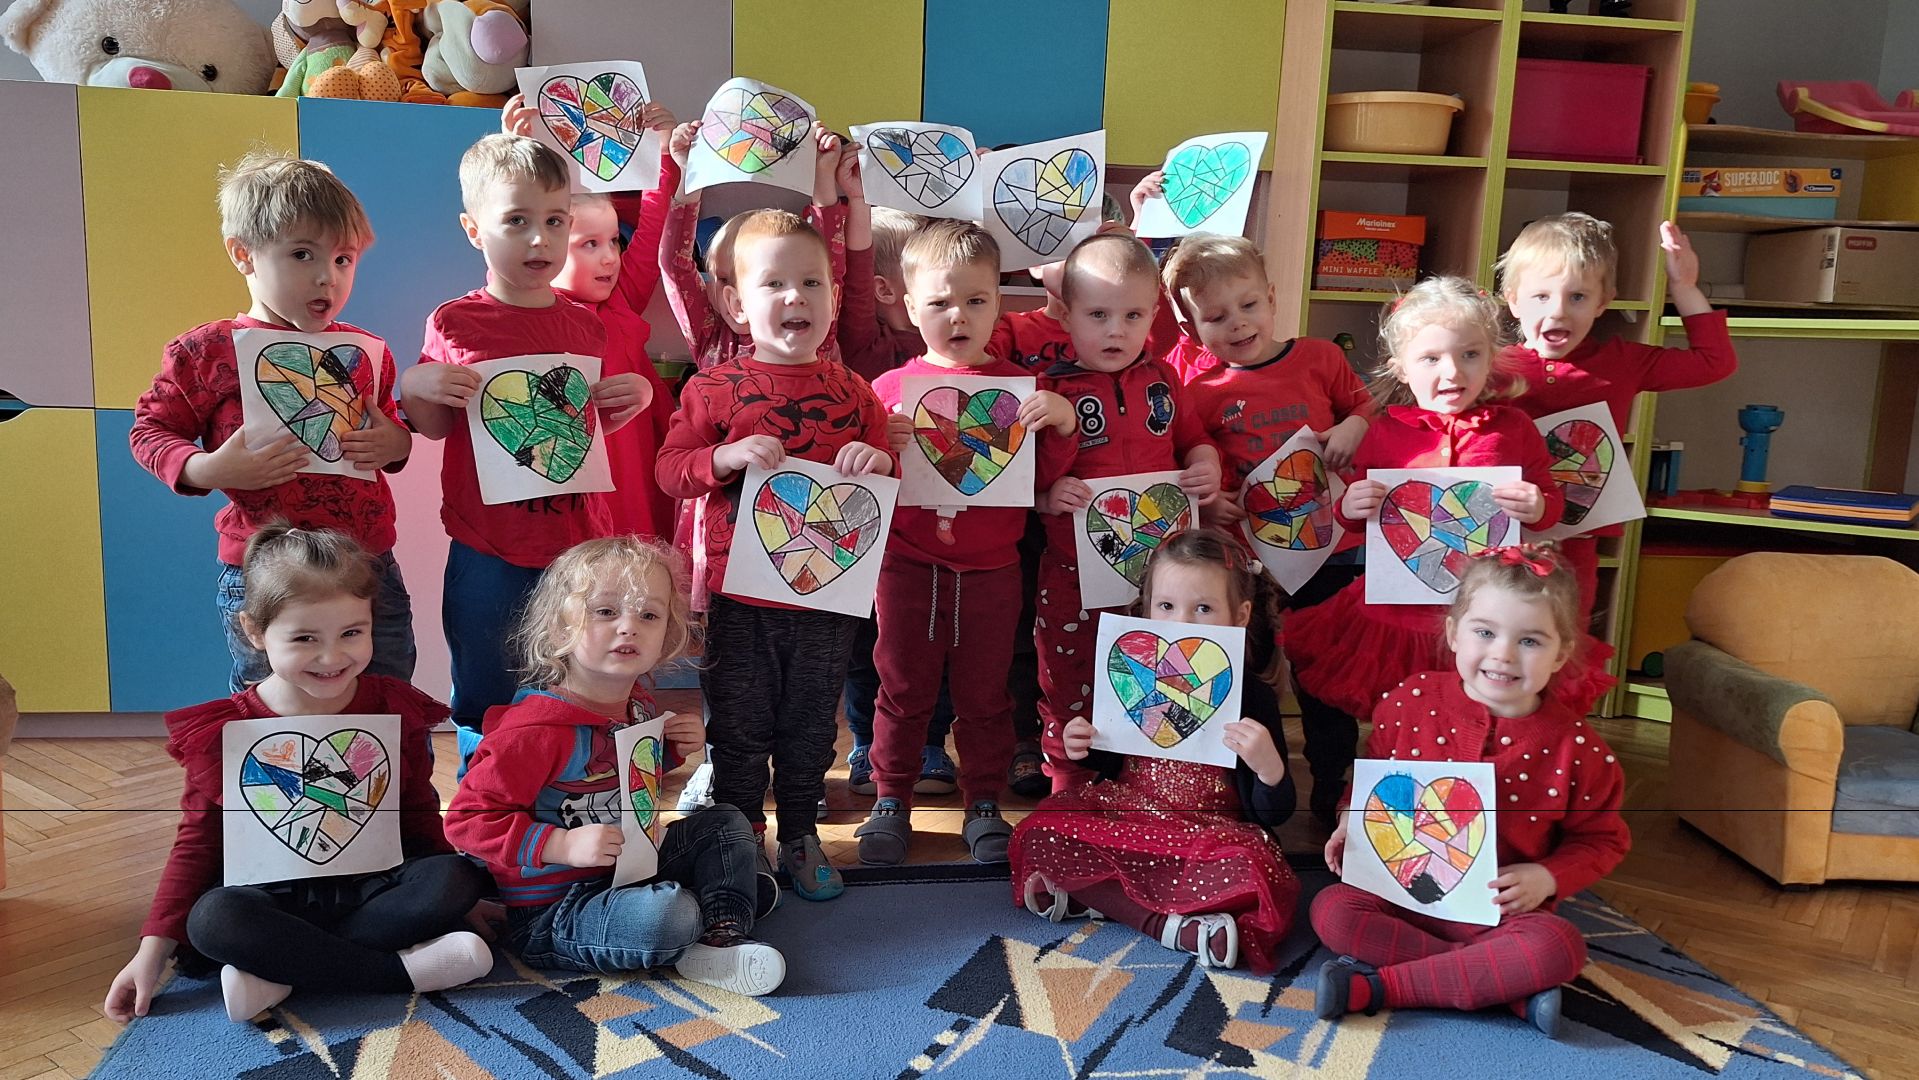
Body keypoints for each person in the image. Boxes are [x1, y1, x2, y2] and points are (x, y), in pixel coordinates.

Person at [103, 526, 493, 1025]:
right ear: (254, 631)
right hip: (272, 898)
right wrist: (150, 953)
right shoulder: (228, 729)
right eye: (305, 638)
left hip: (373, 888)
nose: (332, 658)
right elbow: (197, 843)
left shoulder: (391, 707)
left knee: (454, 876)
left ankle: (280, 974)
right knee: (214, 919)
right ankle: (400, 972)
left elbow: (416, 811)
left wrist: (459, 903)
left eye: (352, 633)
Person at [1282, 277, 1608, 826]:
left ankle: (1462, 803)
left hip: (1484, 615)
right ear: (1402, 368)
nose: (1452, 372)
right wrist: (1352, 506)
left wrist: (1536, 503)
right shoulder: (1385, 430)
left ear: (1491, 359)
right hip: (1396, 614)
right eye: (1431, 359)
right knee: (1383, 708)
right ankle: (1351, 793)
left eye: (1469, 355)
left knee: (1469, 707)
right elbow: (1357, 517)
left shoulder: (1514, 427)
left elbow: (1550, 503)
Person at [656, 209, 894, 901]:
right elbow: (670, 469)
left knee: (810, 726)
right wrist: (722, 457)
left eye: (812, 282)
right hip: (740, 601)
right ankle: (736, 840)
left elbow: (887, 482)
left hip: (826, 601)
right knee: (738, 726)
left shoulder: (855, 393)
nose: (796, 297)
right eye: (775, 283)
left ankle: (798, 835)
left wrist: (879, 461)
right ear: (735, 304)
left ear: (832, 296)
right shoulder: (711, 388)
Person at [397, 133, 651, 771]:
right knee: (486, 686)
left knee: (577, 682)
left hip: (577, 548)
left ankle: (569, 794)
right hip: (489, 546)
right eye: (516, 221)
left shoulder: (584, 322)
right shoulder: (455, 322)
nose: (540, 240)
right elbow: (433, 427)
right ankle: (483, 800)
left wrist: (632, 398)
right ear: (473, 230)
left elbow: (579, 435)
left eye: (555, 221)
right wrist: (416, 384)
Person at [1313, 543, 1630, 1039]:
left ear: (1562, 653)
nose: (1503, 654)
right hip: (1399, 896)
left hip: (1499, 915)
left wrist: (1548, 876)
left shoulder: (1578, 748)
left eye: (1530, 641)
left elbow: (1602, 839)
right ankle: (1498, 985)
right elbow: (1372, 780)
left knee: (1558, 947)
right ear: (1453, 634)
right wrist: (1349, 819)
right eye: (1485, 632)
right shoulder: (1408, 701)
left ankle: (1380, 988)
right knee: (1331, 911)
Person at [129, 151, 416, 693]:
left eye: (344, 259)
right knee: (269, 705)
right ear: (243, 254)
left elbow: (391, 430)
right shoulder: (206, 350)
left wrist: (394, 443)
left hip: (366, 563)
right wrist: (207, 468)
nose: (327, 277)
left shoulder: (366, 351)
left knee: (385, 691)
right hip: (263, 569)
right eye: (302, 254)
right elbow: (148, 430)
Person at [445, 537, 784, 995]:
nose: (629, 627)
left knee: (726, 821)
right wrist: (560, 844)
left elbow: (620, 781)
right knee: (669, 916)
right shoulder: (533, 731)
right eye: (605, 611)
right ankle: (717, 905)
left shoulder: (638, 704)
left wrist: (670, 751)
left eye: (649, 615)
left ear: (667, 633)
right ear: (559, 627)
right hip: (555, 910)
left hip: (630, 870)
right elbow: (466, 821)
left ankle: (722, 931)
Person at [853, 221, 1075, 865]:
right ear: (907, 305)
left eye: (976, 300)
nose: (959, 315)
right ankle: (890, 798)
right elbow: (865, 489)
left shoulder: (1025, 392)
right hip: (907, 568)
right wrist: (877, 449)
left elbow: (1043, 481)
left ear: (998, 304)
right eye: (940, 302)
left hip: (992, 571)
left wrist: (1062, 426)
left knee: (986, 696)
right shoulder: (888, 393)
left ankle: (983, 801)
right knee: (902, 690)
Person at [1009, 526, 1299, 970]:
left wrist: (1269, 770)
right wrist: (1082, 743)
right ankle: (1167, 922)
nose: (1181, 622)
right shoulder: (1133, 676)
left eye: (1203, 608)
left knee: (1252, 870)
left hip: (1207, 837)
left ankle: (1109, 901)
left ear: (1240, 615)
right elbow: (1110, 759)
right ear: (1145, 609)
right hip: (1128, 820)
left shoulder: (1251, 696)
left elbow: (1273, 814)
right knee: (1041, 828)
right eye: (1166, 606)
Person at [1165, 233, 1373, 822]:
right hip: (1249, 563)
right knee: (1250, 673)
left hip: (1331, 549)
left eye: (1249, 304)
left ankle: (1331, 783)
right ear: (1191, 328)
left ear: (1273, 297)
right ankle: (1242, 784)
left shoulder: (1321, 358)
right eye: (1215, 317)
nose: (1237, 322)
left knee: (1325, 677)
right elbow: (1195, 461)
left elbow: (1365, 407)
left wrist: (1354, 425)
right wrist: (1214, 504)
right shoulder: (1202, 392)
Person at [1033, 233, 1223, 792]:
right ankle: (1068, 781)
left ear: (1153, 315)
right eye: (1098, 315)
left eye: (1132, 315)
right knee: (1069, 678)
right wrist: (1048, 495)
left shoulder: (1165, 379)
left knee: (1159, 673)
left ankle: (1149, 782)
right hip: (1073, 572)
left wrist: (1206, 464)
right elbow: (1029, 478)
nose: (1116, 330)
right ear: (1065, 315)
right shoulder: (1048, 389)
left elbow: (1193, 438)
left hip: (1162, 579)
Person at [1498, 213, 1737, 626]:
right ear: (1514, 301)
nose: (1558, 312)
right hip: (1495, 538)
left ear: (1603, 302)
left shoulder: (1621, 362)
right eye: (1541, 297)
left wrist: (1684, 288)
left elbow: (1714, 362)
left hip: (1575, 543)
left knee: (1561, 643)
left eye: (1577, 297)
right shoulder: (1491, 367)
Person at [502, 94, 682, 541]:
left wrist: (663, 153)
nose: (609, 258)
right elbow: (504, 242)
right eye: (589, 244)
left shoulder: (620, 300)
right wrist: (514, 155)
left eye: (613, 242)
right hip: (574, 493)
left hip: (637, 484)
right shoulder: (529, 309)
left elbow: (652, 226)